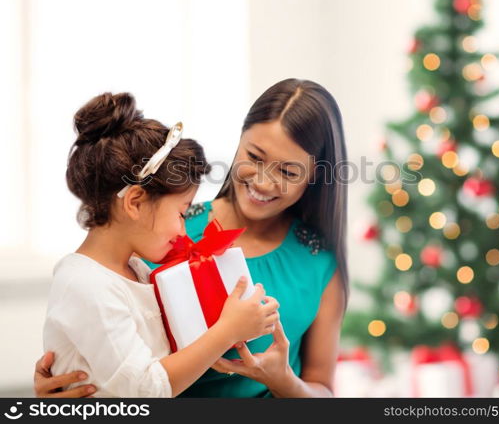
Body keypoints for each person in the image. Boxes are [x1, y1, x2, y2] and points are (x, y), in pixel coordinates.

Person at [35, 78, 348, 398]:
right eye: (254, 156)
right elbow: (113, 352)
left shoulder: (318, 261)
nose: (264, 182)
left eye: (288, 172)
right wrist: (62, 382)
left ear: (314, 177)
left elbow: (322, 389)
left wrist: (283, 380)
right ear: (239, 140)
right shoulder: (160, 234)